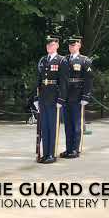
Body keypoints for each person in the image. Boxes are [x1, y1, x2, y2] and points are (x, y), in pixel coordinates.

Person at [33, 35, 68, 164]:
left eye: (52, 44)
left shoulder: (61, 61)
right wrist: (36, 97)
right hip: (43, 97)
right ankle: (45, 153)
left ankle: (51, 154)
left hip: (54, 97)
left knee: (53, 127)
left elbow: (63, 82)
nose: (49, 46)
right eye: (48, 45)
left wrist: (61, 99)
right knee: (44, 127)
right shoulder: (43, 60)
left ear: (57, 45)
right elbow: (38, 80)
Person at [60, 36, 93, 159]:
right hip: (66, 95)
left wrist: (86, 96)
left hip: (78, 95)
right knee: (67, 124)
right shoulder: (64, 59)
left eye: (73, 45)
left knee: (76, 124)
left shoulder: (85, 60)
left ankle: (75, 149)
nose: (71, 47)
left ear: (79, 45)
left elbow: (89, 80)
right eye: (70, 45)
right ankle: (68, 149)